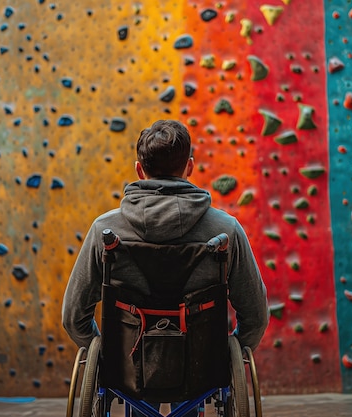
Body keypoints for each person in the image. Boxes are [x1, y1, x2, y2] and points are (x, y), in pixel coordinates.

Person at [62, 119, 269, 414]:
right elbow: (256, 316)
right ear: (190, 167)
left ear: (139, 170)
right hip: (203, 368)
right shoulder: (227, 230)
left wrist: (109, 352)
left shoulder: (104, 230)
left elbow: (73, 317)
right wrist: (223, 353)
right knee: (197, 369)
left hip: (128, 366)